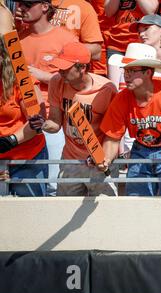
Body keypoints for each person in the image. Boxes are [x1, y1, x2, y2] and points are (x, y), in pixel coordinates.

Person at [98, 43, 161, 196]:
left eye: (132, 70)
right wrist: (104, 160)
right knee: (137, 204)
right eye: (125, 70)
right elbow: (112, 137)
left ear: (148, 72)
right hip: (140, 150)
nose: (126, 75)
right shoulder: (121, 99)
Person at [29, 42, 118, 196]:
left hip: (98, 160)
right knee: (64, 210)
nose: (60, 71)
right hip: (71, 159)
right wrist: (42, 124)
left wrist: (105, 159)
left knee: (106, 212)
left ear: (82, 68)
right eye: (59, 66)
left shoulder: (106, 90)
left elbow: (113, 133)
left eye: (65, 68)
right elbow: (55, 123)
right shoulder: (57, 82)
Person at [14, 0, 79, 195]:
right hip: (21, 121)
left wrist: (45, 77)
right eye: (20, 4)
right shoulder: (16, 40)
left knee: (52, 185)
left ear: (44, 6)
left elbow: (79, 81)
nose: (21, 8)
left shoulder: (65, 38)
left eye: (27, 4)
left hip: (53, 120)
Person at [0, 36, 48, 197]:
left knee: (31, 214)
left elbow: (36, 121)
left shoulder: (22, 77)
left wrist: (11, 140)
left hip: (27, 156)